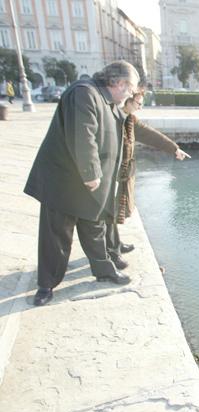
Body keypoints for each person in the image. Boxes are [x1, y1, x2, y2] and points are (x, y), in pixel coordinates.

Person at [23, 61, 140, 306]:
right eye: (130, 89)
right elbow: (83, 133)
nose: (130, 95)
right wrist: (91, 173)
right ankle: (46, 285)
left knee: (95, 229)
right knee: (56, 235)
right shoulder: (84, 93)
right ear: (119, 83)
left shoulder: (108, 101)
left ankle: (104, 271)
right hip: (65, 181)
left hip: (92, 186)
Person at [105, 91, 191, 269]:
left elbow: (151, 135)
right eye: (138, 103)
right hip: (109, 173)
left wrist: (174, 149)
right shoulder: (111, 118)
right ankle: (111, 252)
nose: (140, 107)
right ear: (127, 100)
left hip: (122, 173)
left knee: (115, 210)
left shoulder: (130, 120)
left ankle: (115, 243)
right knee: (108, 212)